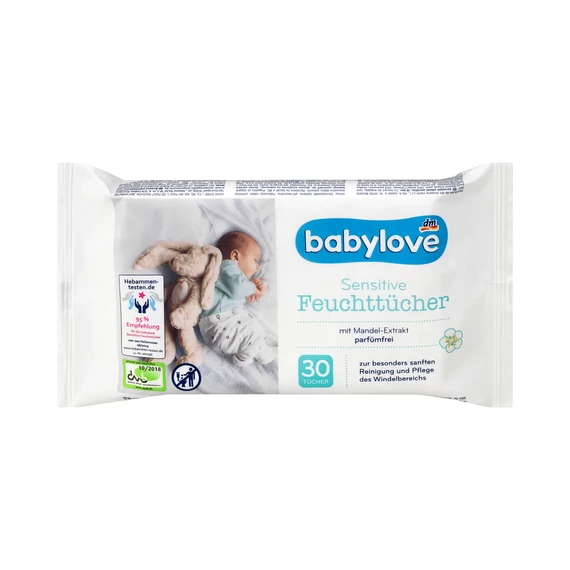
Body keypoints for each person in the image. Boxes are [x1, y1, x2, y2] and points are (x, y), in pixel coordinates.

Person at [199, 231, 276, 367]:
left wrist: (251, 290)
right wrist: (252, 287)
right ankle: (242, 359)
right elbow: (237, 289)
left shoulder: (232, 275)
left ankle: (264, 353)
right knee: (254, 333)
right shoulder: (226, 266)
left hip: (221, 326)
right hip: (220, 324)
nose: (258, 266)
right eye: (255, 260)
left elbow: (237, 292)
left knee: (254, 331)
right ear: (235, 256)